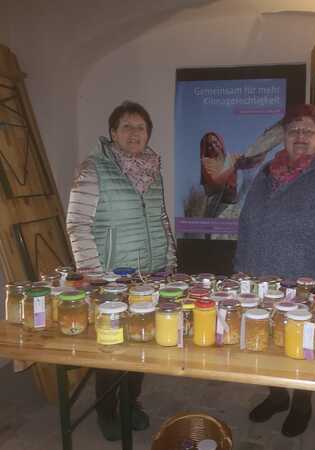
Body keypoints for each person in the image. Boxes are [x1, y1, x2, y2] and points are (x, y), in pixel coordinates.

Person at [234, 103, 315, 437]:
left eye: (308, 131)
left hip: (303, 282)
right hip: (262, 279)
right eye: (293, 131)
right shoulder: (267, 173)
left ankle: (302, 403)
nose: (300, 136)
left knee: (301, 345)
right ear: (284, 136)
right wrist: (240, 271)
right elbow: (247, 222)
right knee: (267, 339)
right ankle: (277, 396)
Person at [66, 100, 177, 441]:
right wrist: (93, 273)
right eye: (126, 126)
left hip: (151, 276)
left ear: (148, 134)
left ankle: (130, 404)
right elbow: (77, 224)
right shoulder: (93, 169)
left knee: (140, 344)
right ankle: (106, 411)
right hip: (111, 279)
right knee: (111, 349)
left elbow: (160, 218)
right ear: (113, 133)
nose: (134, 133)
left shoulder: (152, 170)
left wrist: (170, 260)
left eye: (140, 127)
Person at [200, 131, 264, 218]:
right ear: (205, 148)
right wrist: (235, 167)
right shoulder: (207, 162)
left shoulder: (231, 158)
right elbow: (216, 182)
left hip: (233, 207)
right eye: (209, 145)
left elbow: (249, 161)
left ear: (220, 142)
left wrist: (264, 146)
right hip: (217, 209)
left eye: (215, 142)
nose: (213, 146)